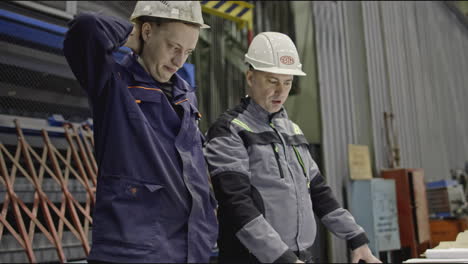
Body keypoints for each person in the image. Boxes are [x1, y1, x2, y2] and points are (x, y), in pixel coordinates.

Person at [204, 32, 381, 263]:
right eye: (272, 81)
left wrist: (357, 239)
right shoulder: (229, 130)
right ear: (250, 77)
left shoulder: (292, 131)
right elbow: (236, 204)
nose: (281, 92)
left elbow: (319, 192)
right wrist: (282, 258)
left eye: (287, 82)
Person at [62, 1, 217, 263]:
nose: (179, 61)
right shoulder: (114, 84)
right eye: (173, 47)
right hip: (134, 250)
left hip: (191, 249)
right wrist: (134, 38)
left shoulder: (185, 95)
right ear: (146, 32)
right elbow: (85, 29)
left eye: (188, 52)